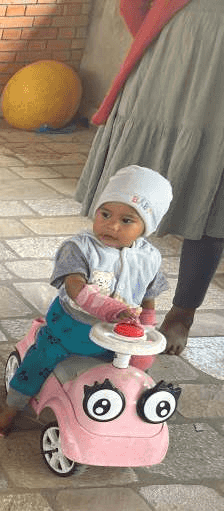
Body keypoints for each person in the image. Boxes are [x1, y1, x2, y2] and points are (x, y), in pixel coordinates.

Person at [75, 0, 224, 355]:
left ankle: (183, 312)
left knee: (214, 196)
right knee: (132, 189)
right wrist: (154, 34)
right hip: (171, 56)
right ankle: (106, 297)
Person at [0, 165, 173, 436]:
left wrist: (147, 326)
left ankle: (124, 415)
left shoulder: (149, 258)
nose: (111, 225)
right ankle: (12, 407)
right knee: (41, 360)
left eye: (127, 221)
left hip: (118, 335)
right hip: (70, 329)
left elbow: (149, 294)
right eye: (105, 214)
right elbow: (75, 286)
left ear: (145, 228)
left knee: (138, 368)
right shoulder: (79, 248)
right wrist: (110, 308)